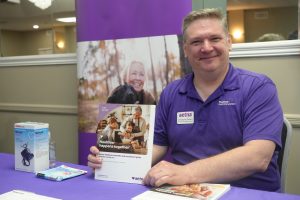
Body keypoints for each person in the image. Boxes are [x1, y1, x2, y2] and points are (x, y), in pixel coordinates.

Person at [88, 8, 283, 192]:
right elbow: (157, 145)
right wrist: (114, 159)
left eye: (214, 38)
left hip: (247, 192)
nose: (206, 48)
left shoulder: (258, 87)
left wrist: (185, 172)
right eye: (197, 42)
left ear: (229, 42)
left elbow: (257, 157)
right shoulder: (171, 93)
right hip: (183, 192)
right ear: (186, 49)